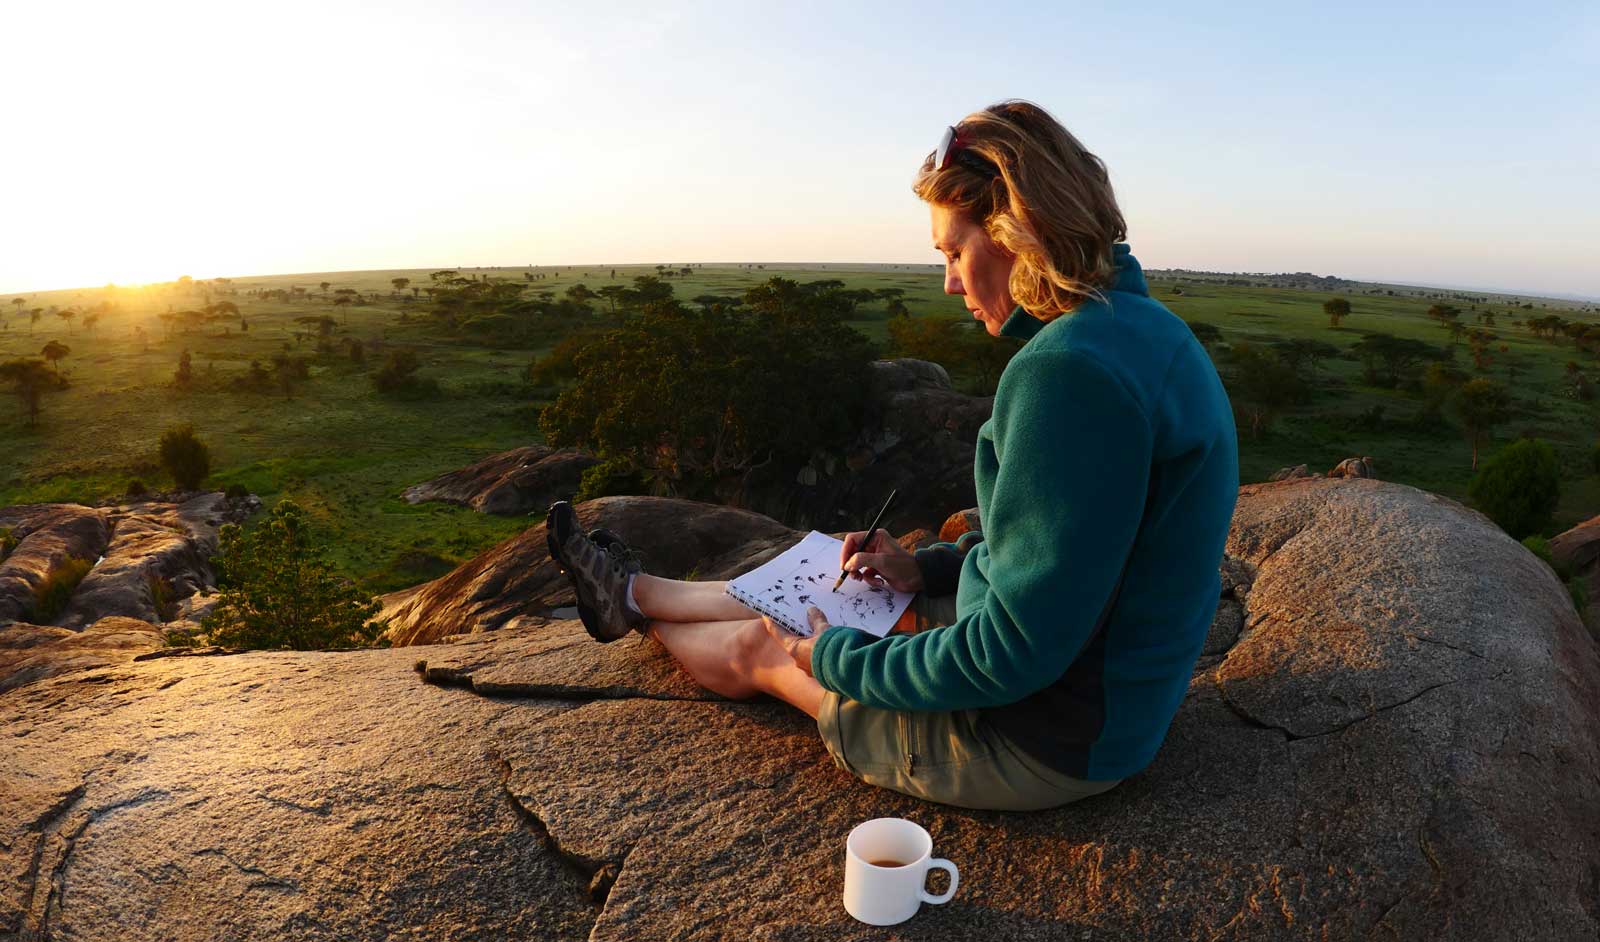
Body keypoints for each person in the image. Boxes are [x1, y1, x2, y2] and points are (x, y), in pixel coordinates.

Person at [546, 99, 1238, 812]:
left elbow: (1014, 655)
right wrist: (926, 567)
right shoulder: (1145, 331)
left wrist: (841, 664)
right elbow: (1076, 553)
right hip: (1099, 695)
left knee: (767, 644)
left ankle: (641, 617)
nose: (949, 281)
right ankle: (633, 593)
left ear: (1017, 232)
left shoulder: (1068, 374)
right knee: (830, 582)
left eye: (953, 250)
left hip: (1043, 741)